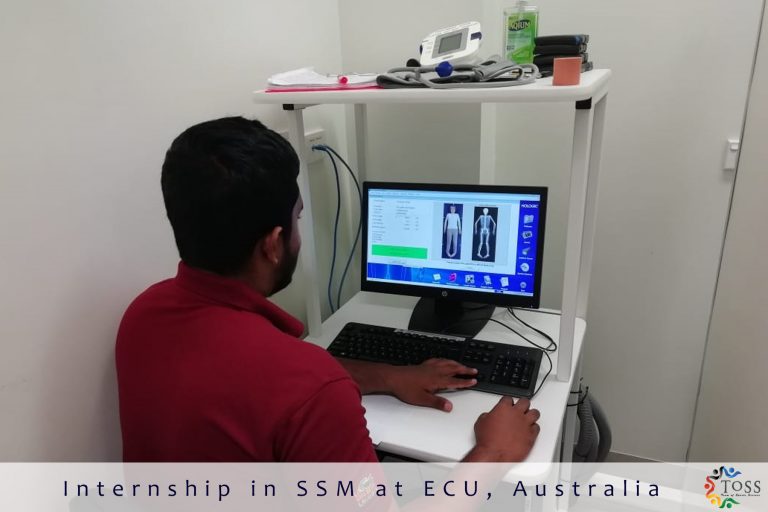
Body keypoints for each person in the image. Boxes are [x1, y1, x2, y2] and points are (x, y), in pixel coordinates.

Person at [116, 117, 540, 463]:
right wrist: (494, 452)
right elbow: (295, 384)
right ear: (273, 244)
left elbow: (258, 383)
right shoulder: (310, 385)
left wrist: (390, 376)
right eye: (298, 219)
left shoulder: (143, 316)